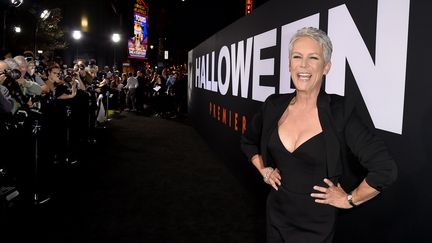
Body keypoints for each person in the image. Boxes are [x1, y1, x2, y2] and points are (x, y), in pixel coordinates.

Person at [240, 27, 397, 243]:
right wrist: (263, 170)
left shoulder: (340, 111)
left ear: (326, 67)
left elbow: (385, 169)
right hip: (275, 216)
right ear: (289, 65)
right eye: (297, 57)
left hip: (316, 227)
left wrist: (350, 199)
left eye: (313, 58)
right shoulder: (273, 105)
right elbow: (248, 142)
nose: (303, 65)